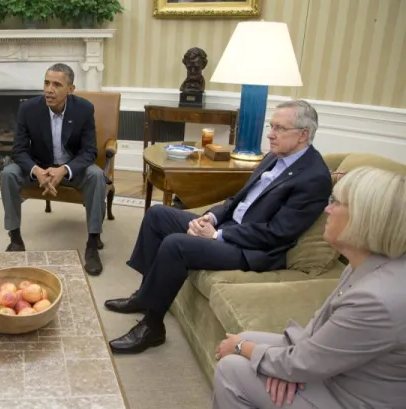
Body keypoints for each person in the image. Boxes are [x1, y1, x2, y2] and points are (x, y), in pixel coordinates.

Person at [204, 166, 406, 409]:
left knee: (233, 369)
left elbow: (305, 363)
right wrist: (277, 364)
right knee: (248, 341)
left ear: (363, 218)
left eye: (336, 202)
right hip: (345, 376)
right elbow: (320, 329)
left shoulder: (376, 299)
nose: (326, 209)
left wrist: (244, 350)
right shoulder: (368, 262)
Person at [107, 100, 332, 354]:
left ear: (303, 134)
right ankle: (145, 294)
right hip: (230, 226)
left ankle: (152, 326)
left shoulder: (314, 177)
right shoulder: (274, 156)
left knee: (176, 245)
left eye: (280, 128)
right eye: (272, 126)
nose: (270, 133)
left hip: (254, 249)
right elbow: (238, 199)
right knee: (157, 215)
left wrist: (218, 235)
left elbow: (277, 233)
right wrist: (210, 219)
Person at [0, 63, 107, 275]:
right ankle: (15, 237)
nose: (49, 89)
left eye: (57, 84)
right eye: (46, 83)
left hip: (71, 168)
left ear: (70, 89)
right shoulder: (28, 109)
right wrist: (37, 171)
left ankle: (93, 243)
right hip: (39, 165)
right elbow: (19, 150)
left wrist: (64, 170)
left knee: (96, 175)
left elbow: (89, 152)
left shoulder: (84, 109)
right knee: (8, 174)